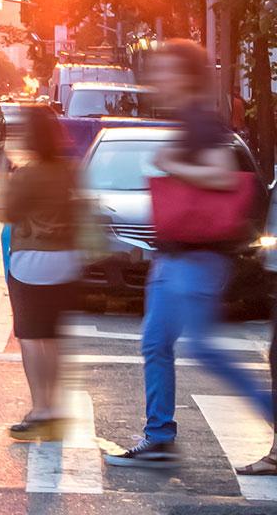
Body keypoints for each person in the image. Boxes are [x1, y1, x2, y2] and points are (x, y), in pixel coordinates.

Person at [107, 39, 272, 469]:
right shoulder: (187, 121)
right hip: (173, 258)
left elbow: (221, 177)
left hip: (198, 259)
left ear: (184, 76)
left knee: (203, 349)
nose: (156, 78)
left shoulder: (204, 122)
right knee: (155, 342)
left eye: (164, 70)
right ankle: (159, 437)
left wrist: (171, 165)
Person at [0, 104, 81, 441]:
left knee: (31, 338)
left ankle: (40, 408)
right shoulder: (69, 170)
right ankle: (56, 407)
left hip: (32, 262)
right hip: (67, 261)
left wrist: (6, 177)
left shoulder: (27, 175)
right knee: (53, 336)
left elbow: (5, 212)